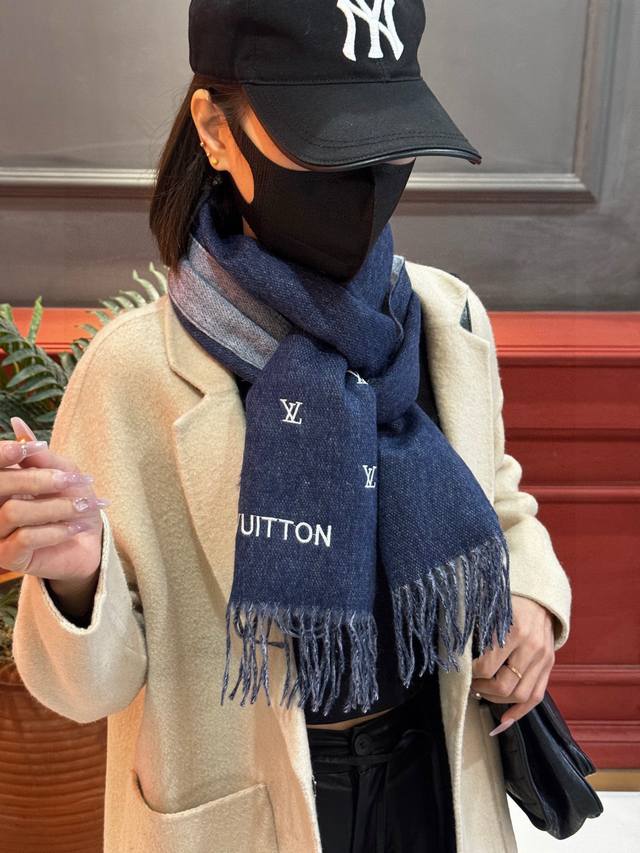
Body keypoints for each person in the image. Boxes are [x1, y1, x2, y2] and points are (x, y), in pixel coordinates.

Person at [6, 2, 572, 852]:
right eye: (326, 143)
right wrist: (78, 577)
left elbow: (499, 500)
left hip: (439, 779)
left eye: (390, 143)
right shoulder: (132, 375)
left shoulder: (443, 317)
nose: (367, 180)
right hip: (244, 815)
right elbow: (89, 690)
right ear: (216, 131)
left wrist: (529, 594)